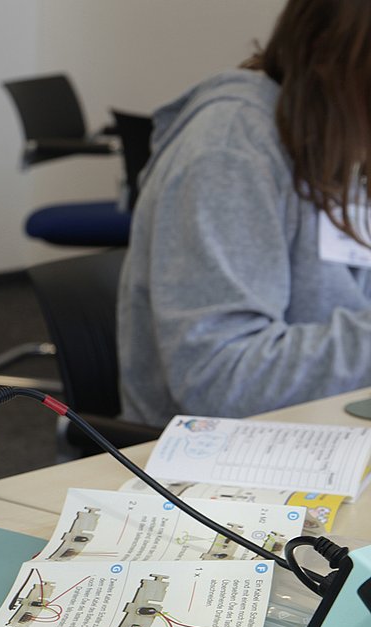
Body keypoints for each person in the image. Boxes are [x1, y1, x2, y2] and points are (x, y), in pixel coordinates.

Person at [118, 0, 371, 428]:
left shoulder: (340, 136)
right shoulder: (229, 151)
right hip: (216, 452)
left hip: (326, 426)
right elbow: (219, 380)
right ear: (334, 59)